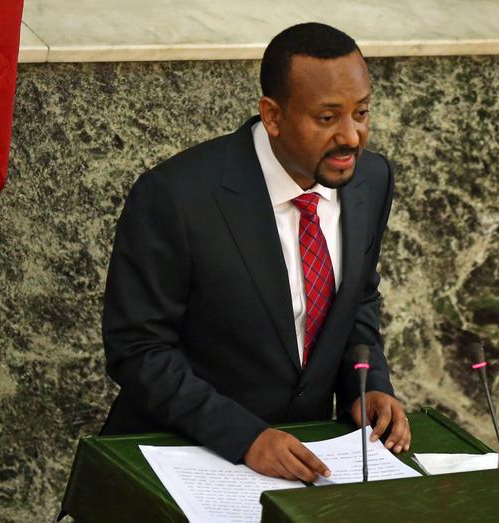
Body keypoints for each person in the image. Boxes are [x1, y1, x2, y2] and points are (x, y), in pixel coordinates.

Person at [100, 22, 411, 483]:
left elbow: (358, 299)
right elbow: (137, 348)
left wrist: (366, 387)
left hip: (305, 465)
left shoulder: (371, 180)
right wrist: (244, 437)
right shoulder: (177, 197)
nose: (351, 137)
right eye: (327, 118)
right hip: (182, 459)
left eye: (361, 113)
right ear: (272, 115)